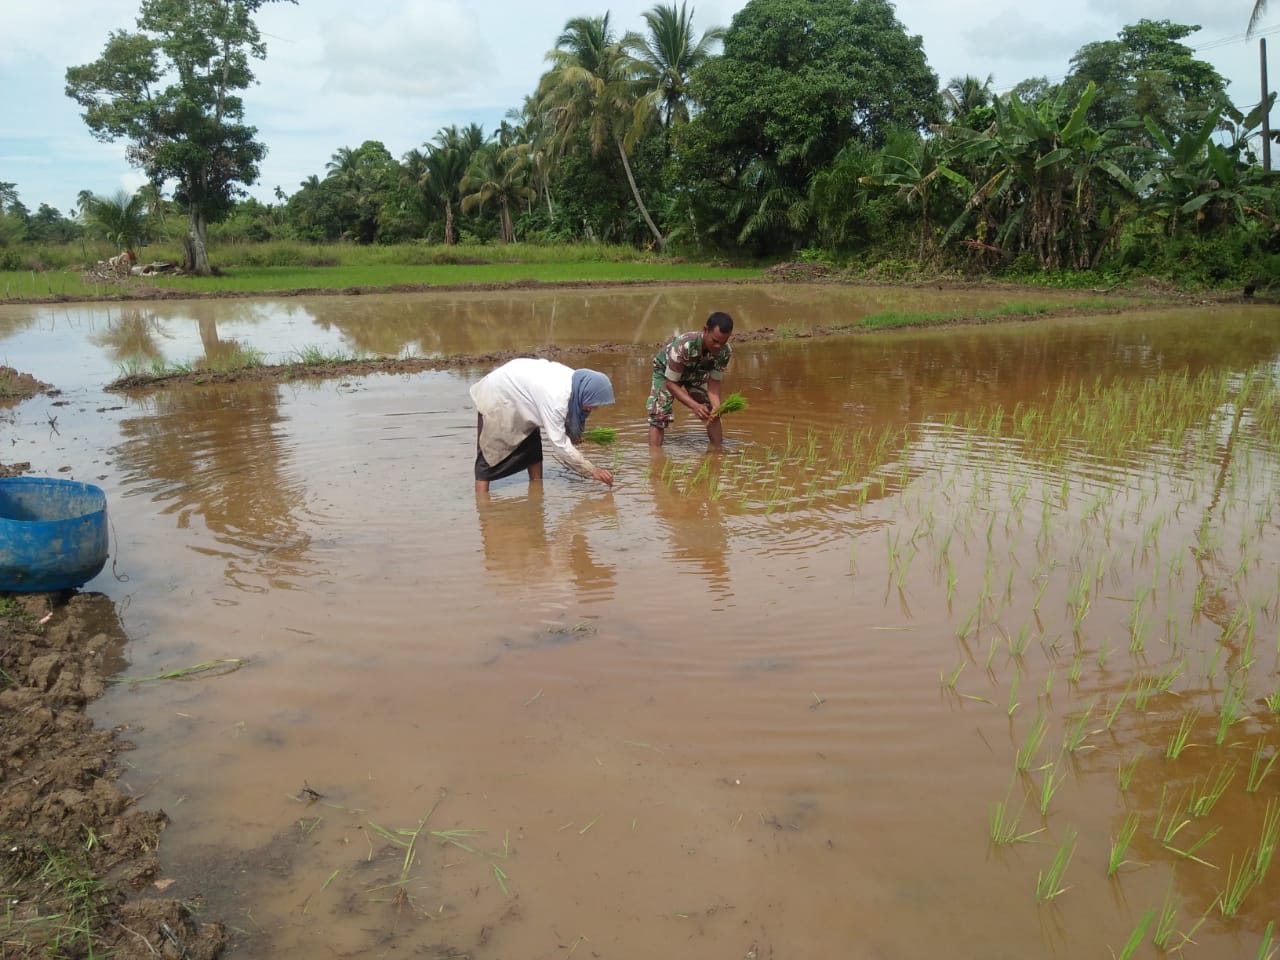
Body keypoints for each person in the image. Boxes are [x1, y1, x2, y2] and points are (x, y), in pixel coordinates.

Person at [470, 357, 615, 494]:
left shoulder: (576, 385)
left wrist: (574, 435)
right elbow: (559, 444)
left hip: (523, 392)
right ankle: (482, 505)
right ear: (586, 393)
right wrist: (592, 470)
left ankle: (536, 492)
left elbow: (565, 419)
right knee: (489, 456)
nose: (595, 409)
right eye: (593, 403)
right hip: (499, 395)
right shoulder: (556, 398)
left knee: (533, 451)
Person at [646, 311, 734, 448]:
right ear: (705, 330)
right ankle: (655, 458)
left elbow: (714, 382)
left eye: (723, 342)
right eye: (715, 341)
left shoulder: (724, 352)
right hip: (666, 372)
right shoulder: (684, 345)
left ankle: (718, 452)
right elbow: (671, 383)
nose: (718, 346)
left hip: (695, 372)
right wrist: (695, 406)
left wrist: (717, 406)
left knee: (713, 412)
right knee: (659, 414)